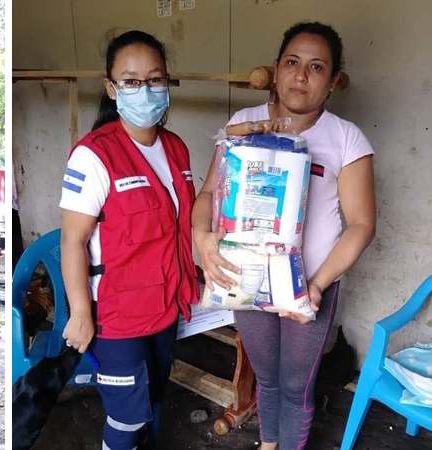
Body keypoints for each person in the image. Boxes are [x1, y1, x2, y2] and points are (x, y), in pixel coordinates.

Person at [192, 22, 376, 450]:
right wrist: (201, 237)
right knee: (267, 377)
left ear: (332, 82)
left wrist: (314, 286)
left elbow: (362, 225)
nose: (301, 75)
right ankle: (268, 444)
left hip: (310, 286)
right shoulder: (243, 125)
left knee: (296, 387)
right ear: (275, 70)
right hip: (246, 277)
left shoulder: (346, 139)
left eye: (316, 67)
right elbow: (206, 194)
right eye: (292, 62)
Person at [59, 30, 199, 450]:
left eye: (155, 79)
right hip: (117, 316)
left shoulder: (176, 148)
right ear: (111, 88)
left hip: (165, 306)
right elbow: (72, 240)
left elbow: (183, 225)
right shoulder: (94, 155)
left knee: (152, 396)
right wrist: (81, 312)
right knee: (124, 416)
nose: (146, 90)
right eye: (132, 81)